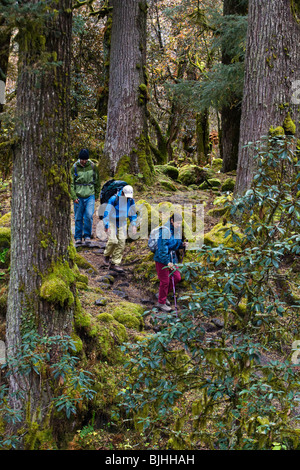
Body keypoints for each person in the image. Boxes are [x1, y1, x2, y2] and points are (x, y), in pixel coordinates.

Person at [154, 213, 187, 312]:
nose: (179, 225)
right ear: (172, 221)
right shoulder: (165, 230)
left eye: (180, 223)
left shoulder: (176, 230)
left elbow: (173, 244)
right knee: (165, 281)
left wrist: (182, 244)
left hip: (172, 258)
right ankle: (161, 303)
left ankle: (162, 295)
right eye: (177, 223)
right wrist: (167, 262)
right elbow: (162, 248)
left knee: (177, 277)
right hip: (162, 259)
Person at [103, 184, 137, 272]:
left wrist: (134, 225)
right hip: (112, 221)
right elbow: (107, 212)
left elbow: (133, 213)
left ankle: (114, 263)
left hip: (123, 221)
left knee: (121, 243)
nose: (127, 198)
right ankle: (106, 255)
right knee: (113, 240)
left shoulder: (130, 201)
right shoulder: (114, 199)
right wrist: (106, 225)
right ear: (122, 193)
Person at [70, 149, 100, 247]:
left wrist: (96, 194)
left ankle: (87, 236)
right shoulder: (74, 167)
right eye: (82, 159)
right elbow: (71, 183)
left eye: (85, 159)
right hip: (78, 195)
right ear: (79, 159)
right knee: (78, 217)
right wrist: (73, 196)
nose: (84, 161)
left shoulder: (92, 166)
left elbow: (97, 180)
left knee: (88, 215)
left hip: (90, 194)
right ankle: (78, 237)